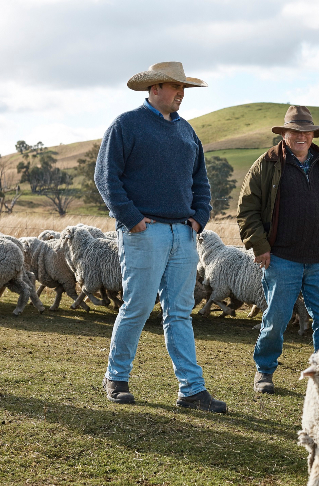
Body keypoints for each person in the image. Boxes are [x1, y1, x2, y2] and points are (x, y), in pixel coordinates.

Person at [94, 62, 226, 413]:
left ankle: (192, 390)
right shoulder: (127, 125)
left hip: (183, 234)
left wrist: (199, 218)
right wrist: (132, 219)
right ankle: (116, 377)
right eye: (175, 87)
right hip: (144, 233)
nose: (181, 94)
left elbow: (201, 181)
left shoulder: (186, 131)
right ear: (154, 89)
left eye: (184, 88)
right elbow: (107, 177)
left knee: (180, 313)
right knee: (137, 306)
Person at [236, 105, 319, 393]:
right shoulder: (266, 165)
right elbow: (247, 211)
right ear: (285, 134)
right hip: (281, 258)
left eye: (306, 132)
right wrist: (260, 246)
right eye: (295, 131)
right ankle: (264, 371)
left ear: (313, 134)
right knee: (276, 319)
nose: (301, 136)